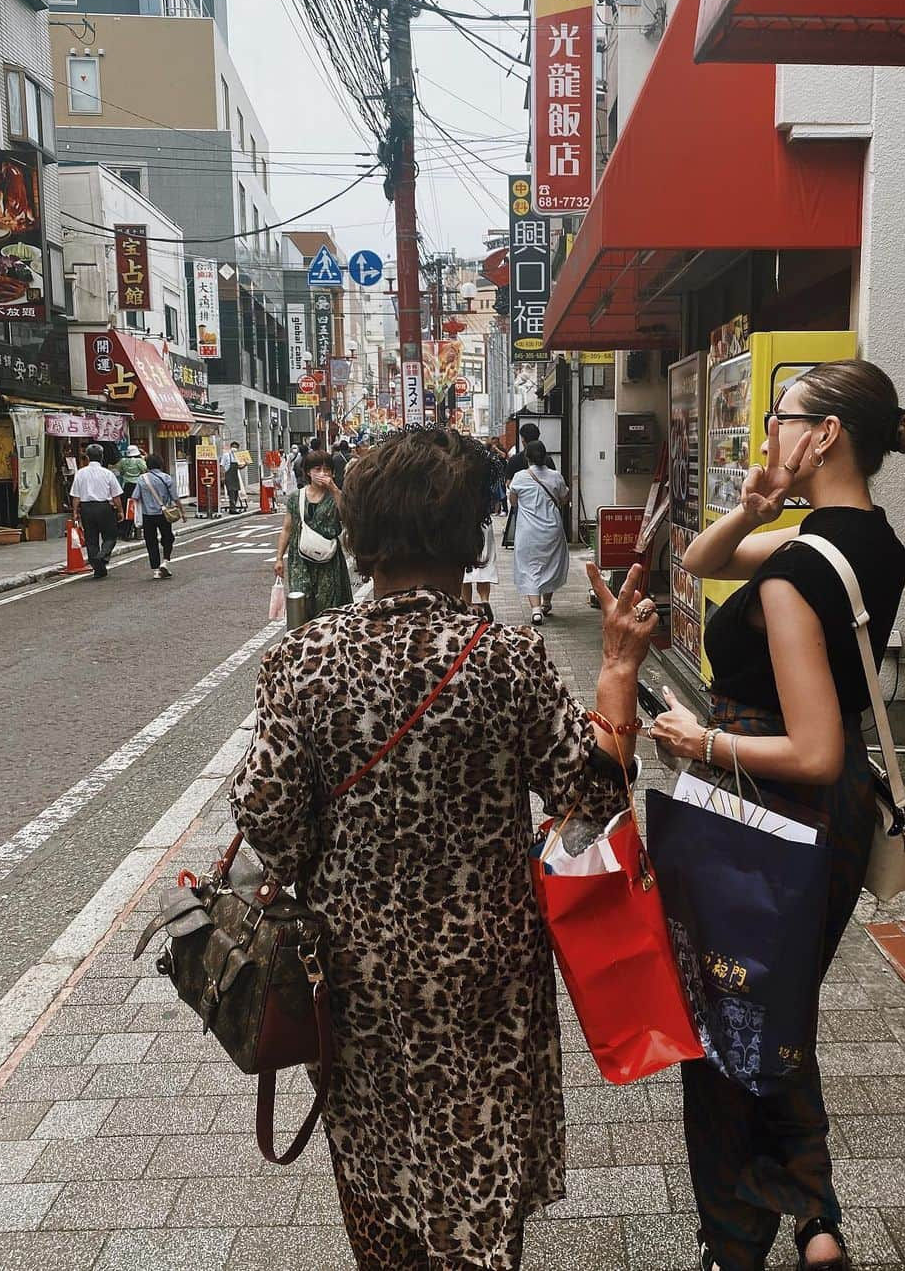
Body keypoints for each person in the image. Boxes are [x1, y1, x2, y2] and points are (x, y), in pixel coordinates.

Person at [231, 426, 658, 1270]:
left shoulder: (304, 662)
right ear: (470, 536)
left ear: (362, 535)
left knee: (380, 1177)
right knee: (479, 1169)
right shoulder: (502, 659)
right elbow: (592, 797)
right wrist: (615, 667)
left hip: (350, 982)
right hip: (485, 978)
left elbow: (268, 824)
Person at [649, 360, 905, 1271]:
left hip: (769, 802)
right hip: (833, 809)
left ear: (826, 436)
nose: (768, 428)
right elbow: (697, 564)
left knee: (725, 1026)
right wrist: (755, 505)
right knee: (772, 1007)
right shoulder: (863, 538)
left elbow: (807, 746)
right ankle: (814, 1218)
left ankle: (738, 1241)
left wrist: (702, 745)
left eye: (783, 416)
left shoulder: (798, 573)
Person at [273, 448, 352, 619]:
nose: (322, 473)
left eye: (327, 470)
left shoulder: (335, 495)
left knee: (328, 604)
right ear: (308, 472)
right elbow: (287, 528)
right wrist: (279, 558)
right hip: (300, 557)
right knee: (301, 600)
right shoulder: (296, 497)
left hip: (328, 558)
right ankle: (302, 641)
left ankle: (326, 642)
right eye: (317, 469)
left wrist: (334, 489)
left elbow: (347, 517)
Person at [509, 438, 569, 625]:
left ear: (527, 457)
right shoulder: (556, 476)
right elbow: (565, 499)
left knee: (529, 566)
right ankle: (547, 602)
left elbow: (513, 502)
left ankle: (535, 610)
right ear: (545, 456)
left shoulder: (519, 477)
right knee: (551, 563)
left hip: (528, 530)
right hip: (552, 528)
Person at [70, 444, 124, 579]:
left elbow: (76, 495)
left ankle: (99, 569)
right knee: (110, 536)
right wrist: (120, 510)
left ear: (87, 457)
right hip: (104, 507)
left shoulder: (80, 473)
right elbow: (116, 495)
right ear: (102, 457)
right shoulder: (107, 473)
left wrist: (75, 511)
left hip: (86, 508)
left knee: (91, 539)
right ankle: (103, 554)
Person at [132, 452, 185, 580]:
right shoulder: (166, 478)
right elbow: (175, 497)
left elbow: (135, 497)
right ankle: (165, 562)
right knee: (168, 538)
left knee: (151, 542)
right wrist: (182, 512)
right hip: (164, 514)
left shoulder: (141, 479)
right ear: (160, 464)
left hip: (147, 515)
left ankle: (156, 569)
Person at [461, 518, 498, 619]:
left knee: (464, 567)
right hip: (483, 521)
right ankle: (485, 602)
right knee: (483, 563)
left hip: (462, 520)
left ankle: (467, 607)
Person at [115, 445, 148, 538]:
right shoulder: (139, 461)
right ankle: (138, 531)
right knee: (138, 507)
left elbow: (120, 471)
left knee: (127, 507)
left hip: (126, 486)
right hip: (137, 485)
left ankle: (125, 531)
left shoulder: (123, 461)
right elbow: (144, 470)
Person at [220, 441, 243, 513]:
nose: (234, 449)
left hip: (235, 476)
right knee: (231, 492)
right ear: (230, 447)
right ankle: (232, 509)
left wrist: (245, 464)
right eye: (233, 447)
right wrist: (222, 477)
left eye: (236, 447)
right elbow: (222, 466)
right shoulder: (226, 455)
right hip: (228, 476)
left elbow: (239, 467)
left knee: (236, 492)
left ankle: (233, 508)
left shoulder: (237, 456)